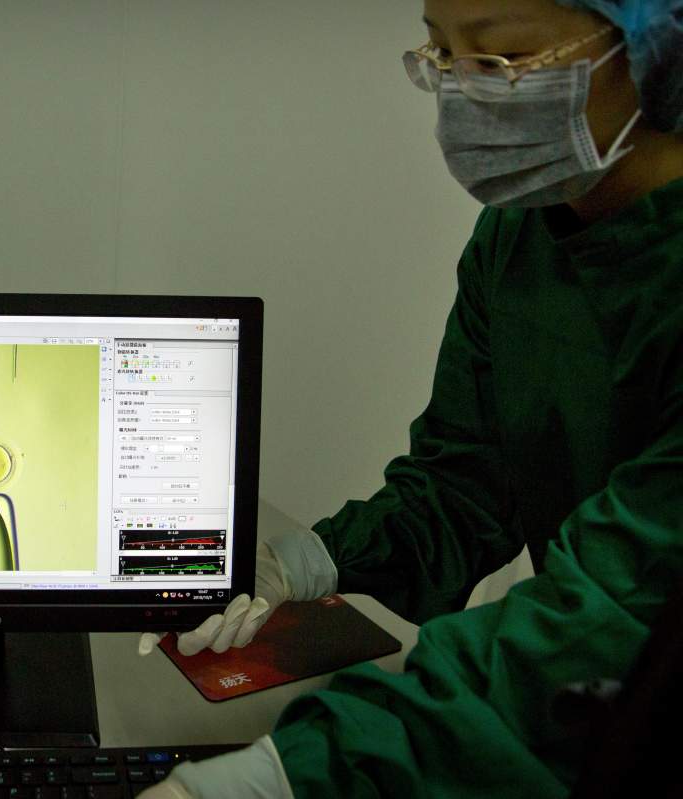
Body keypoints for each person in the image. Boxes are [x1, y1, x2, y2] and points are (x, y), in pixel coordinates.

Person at [138, 0, 683, 795]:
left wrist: (284, 775)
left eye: (496, 60)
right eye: (438, 53)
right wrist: (304, 561)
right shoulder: (522, 235)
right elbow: (465, 484)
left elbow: (618, 609)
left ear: (656, 51)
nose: (460, 92)